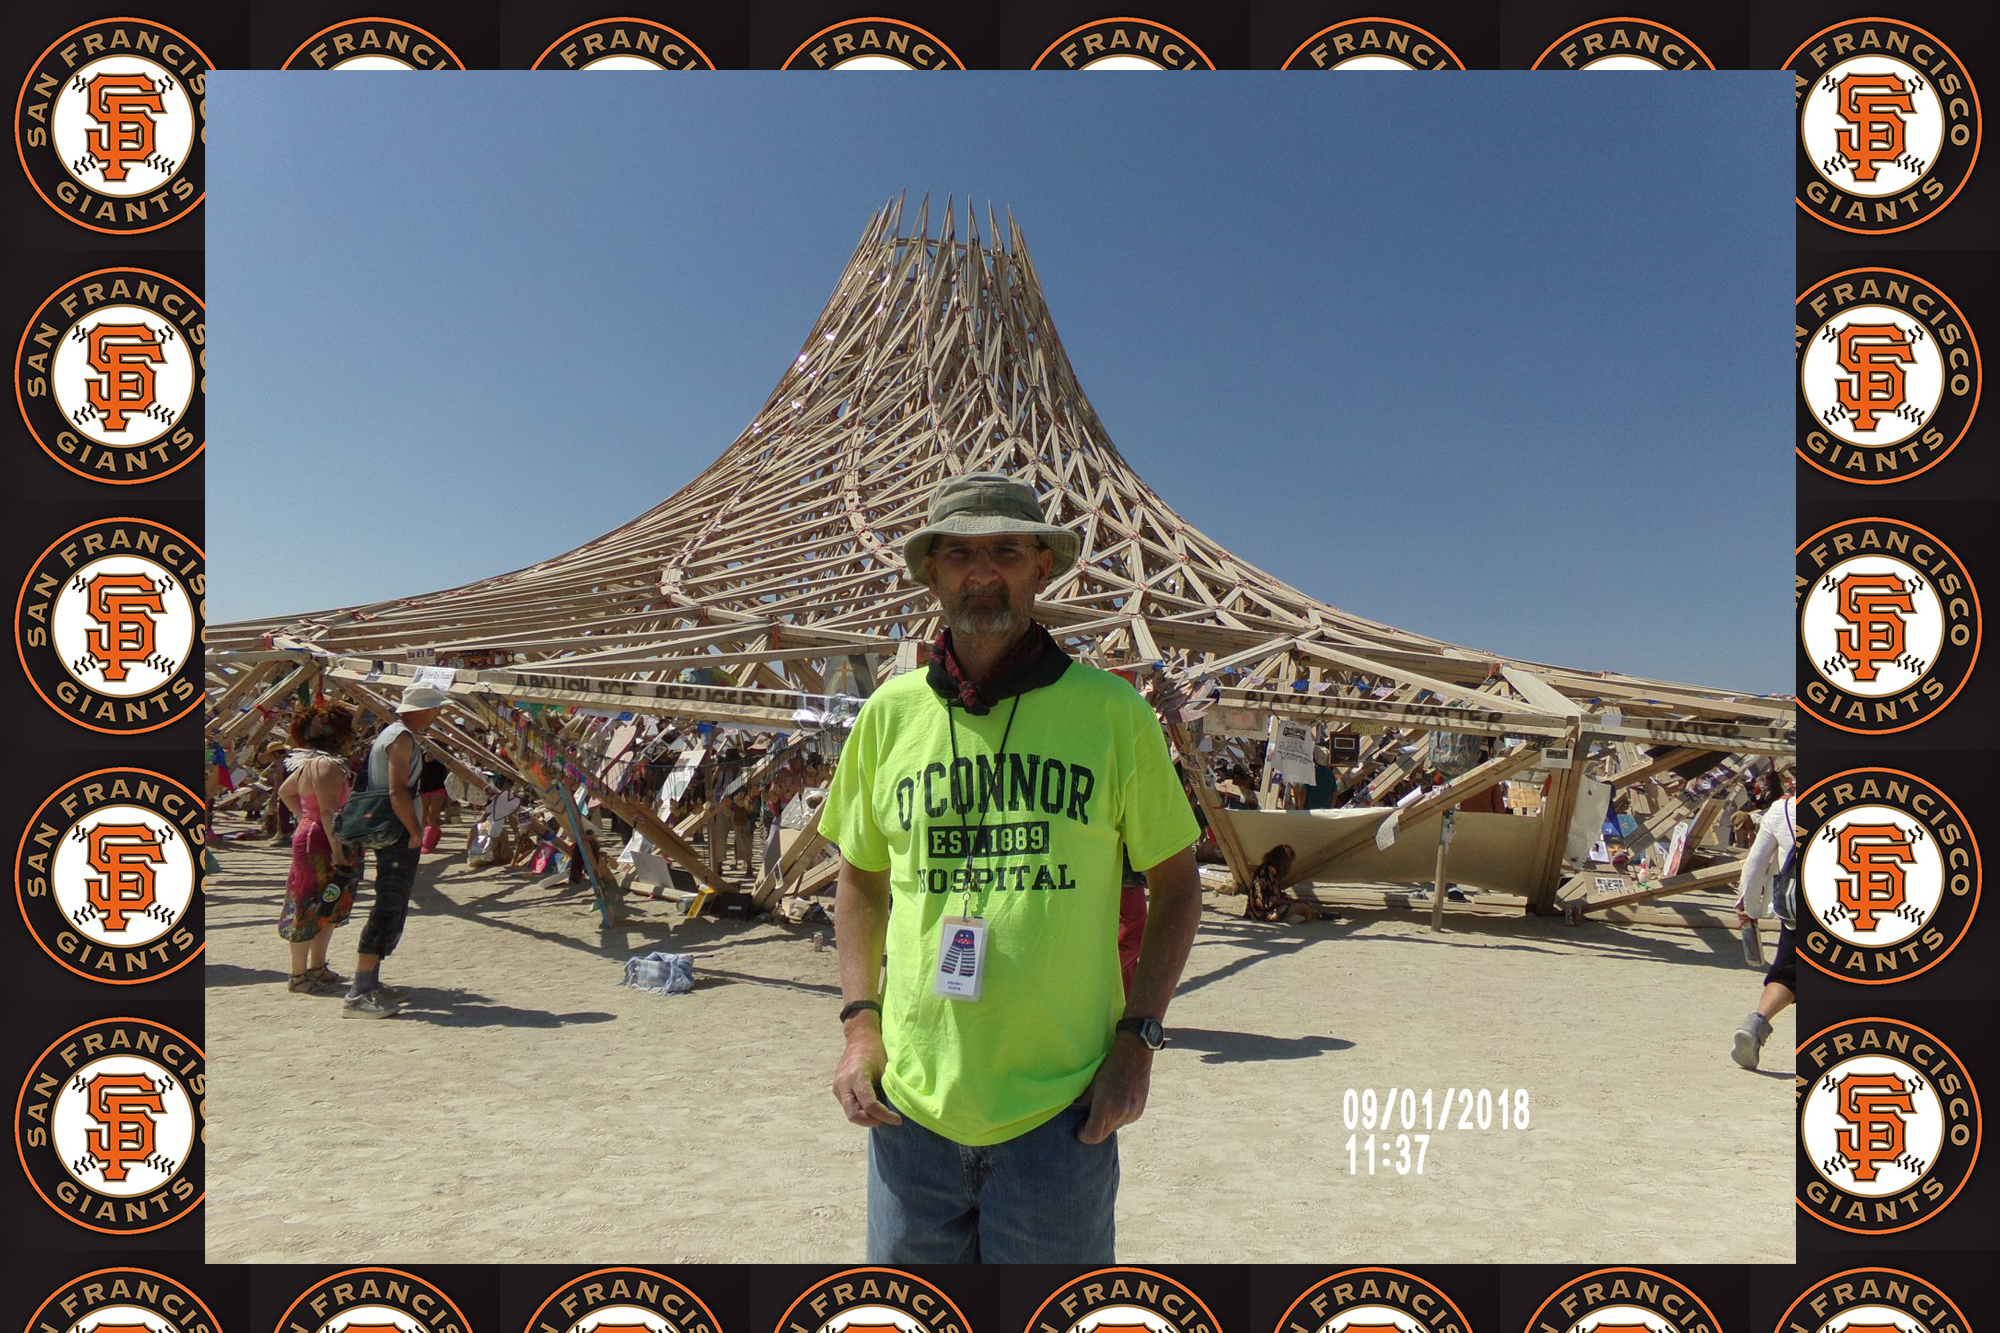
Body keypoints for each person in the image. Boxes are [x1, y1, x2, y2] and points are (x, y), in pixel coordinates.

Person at [821, 470, 1201, 1264]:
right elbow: (860, 879)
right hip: (912, 1115)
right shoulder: (890, 715)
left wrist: (1138, 1041)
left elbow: (1176, 885)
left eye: (1005, 551)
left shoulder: (1112, 714)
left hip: (1060, 1116)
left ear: (1041, 567)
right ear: (932, 571)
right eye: (960, 553)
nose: (982, 572)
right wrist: (860, 1027)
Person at [343, 683, 448, 1018]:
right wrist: (415, 830)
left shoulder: (393, 734)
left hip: (390, 826)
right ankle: (359, 990)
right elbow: (397, 790)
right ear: (421, 709)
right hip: (396, 829)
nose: (437, 714)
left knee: (393, 902)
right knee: (388, 903)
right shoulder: (401, 738)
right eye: (435, 708)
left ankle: (371, 981)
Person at [276, 702, 358, 993]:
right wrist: (337, 850)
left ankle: (317, 967)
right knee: (310, 902)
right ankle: (299, 975)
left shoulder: (310, 764)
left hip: (315, 834)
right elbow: (328, 811)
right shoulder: (326, 765)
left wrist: (302, 817)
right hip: (321, 840)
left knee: (328, 902)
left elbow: (285, 792)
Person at [1730, 768, 1798, 1069]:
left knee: (1787, 976)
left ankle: (1755, 1024)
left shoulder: (1782, 811)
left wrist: (1749, 906)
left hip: (1799, 907)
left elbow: (1755, 863)